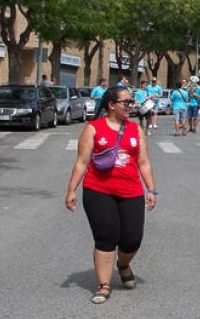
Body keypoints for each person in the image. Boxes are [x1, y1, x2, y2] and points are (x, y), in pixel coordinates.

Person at [65, 86, 157, 304]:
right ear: (111, 105)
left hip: (131, 191)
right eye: (126, 102)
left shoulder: (135, 130)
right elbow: (82, 162)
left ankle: (123, 264)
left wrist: (151, 189)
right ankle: (103, 284)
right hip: (98, 190)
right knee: (106, 236)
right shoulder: (93, 128)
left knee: (132, 238)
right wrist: (71, 189)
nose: (130, 106)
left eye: (131, 102)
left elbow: (143, 162)